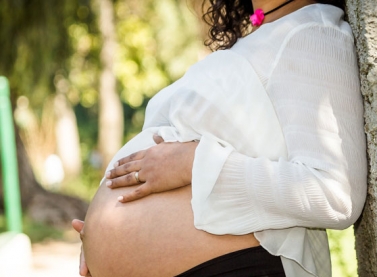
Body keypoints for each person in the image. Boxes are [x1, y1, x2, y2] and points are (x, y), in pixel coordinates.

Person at [72, 0, 367, 276]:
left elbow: (336, 194)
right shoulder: (258, 39)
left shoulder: (312, 32)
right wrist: (99, 233)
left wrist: (193, 163)